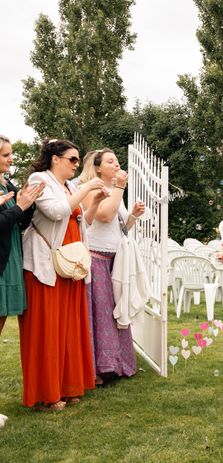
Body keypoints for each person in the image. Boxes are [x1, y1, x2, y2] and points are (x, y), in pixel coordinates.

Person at [19, 139, 104, 411]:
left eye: (78, 160)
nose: (77, 165)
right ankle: (47, 394)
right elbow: (56, 212)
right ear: (55, 159)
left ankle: (68, 387)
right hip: (45, 263)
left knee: (68, 328)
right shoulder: (38, 179)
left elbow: (82, 221)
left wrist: (93, 201)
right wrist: (87, 187)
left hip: (70, 264)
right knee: (47, 329)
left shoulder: (70, 186)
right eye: (72, 159)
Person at [79, 149, 145, 385]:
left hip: (116, 260)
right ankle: (97, 369)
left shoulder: (117, 191)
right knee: (101, 315)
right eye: (110, 161)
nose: (116, 164)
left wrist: (134, 216)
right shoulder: (89, 189)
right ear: (97, 167)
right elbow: (104, 216)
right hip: (96, 259)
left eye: (117, 160)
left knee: (117, 313)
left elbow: (120, 227)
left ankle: (118, 363)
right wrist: (119, 187)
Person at [0, 135, 45, 424]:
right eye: (5, 155)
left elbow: (18, 222)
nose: (11, 160)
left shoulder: (8, 185)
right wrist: (19, 207)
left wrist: (27, 205)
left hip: (11, 259)